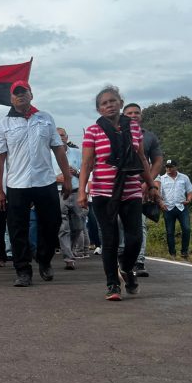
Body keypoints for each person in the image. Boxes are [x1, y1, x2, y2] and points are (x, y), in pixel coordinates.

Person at [77, 86, 157, 301]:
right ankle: (113, 284)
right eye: (104, 103)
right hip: (103, 191)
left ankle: (127, 268)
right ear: (98, 109)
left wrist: (151, 185)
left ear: (121, 103)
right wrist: (82, 191)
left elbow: (142, 159)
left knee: (135, 238)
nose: (109, 105)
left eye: (113, 101)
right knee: (109, 239)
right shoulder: (93, 131)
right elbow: (86, 163)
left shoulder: (134, 128)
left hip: (131, 189)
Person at [0, 81, 72, 287]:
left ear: (31, 94)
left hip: (44, 181)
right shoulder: (4, 124)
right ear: (11, 98)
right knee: (17, 228)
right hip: (17, 184)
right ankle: (23, 270)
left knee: (52, 223)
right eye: (16, 93)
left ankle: (44, 260)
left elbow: (58, 149)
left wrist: (67, 178)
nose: (20, 96)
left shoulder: (45, 119)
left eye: (24, 92)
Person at [122, 103, 164, 277]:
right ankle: (122, 258)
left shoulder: (149, 137)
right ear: (123, 115)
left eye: (136, 113)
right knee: (118, 225)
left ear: (141, 115)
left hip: (141, 186)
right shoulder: (115, 134)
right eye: (129, 113)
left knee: (139, 225)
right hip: (117, 186)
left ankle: (139, 261)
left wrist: (149, 182)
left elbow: (158, 161)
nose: (133, 115)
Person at [54, 127, 83, 270]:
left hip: (76, 191)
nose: (60, 138)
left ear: (67, 137)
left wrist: (76, 172)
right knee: (63, 226)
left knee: (78, 226)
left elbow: (86, 171)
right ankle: (68, 256)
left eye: (62, 135)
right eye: (57, 135)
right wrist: (56, 178)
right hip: (59, 192)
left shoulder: (77, 153)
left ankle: (70, 249)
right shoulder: (49, 154)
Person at [157, 159, 192, 259]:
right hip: (168, 208)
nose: (168, 168)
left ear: (175, 167)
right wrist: (161, 203)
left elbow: (190, 190)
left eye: (171, 166)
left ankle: (184, 252)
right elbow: (158, 193)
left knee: (187, 229)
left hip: (182, 207)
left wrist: (189, 200)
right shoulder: (161, 178)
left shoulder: (184, 177)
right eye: (167, 167)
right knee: (170, 232)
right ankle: (172, 253)